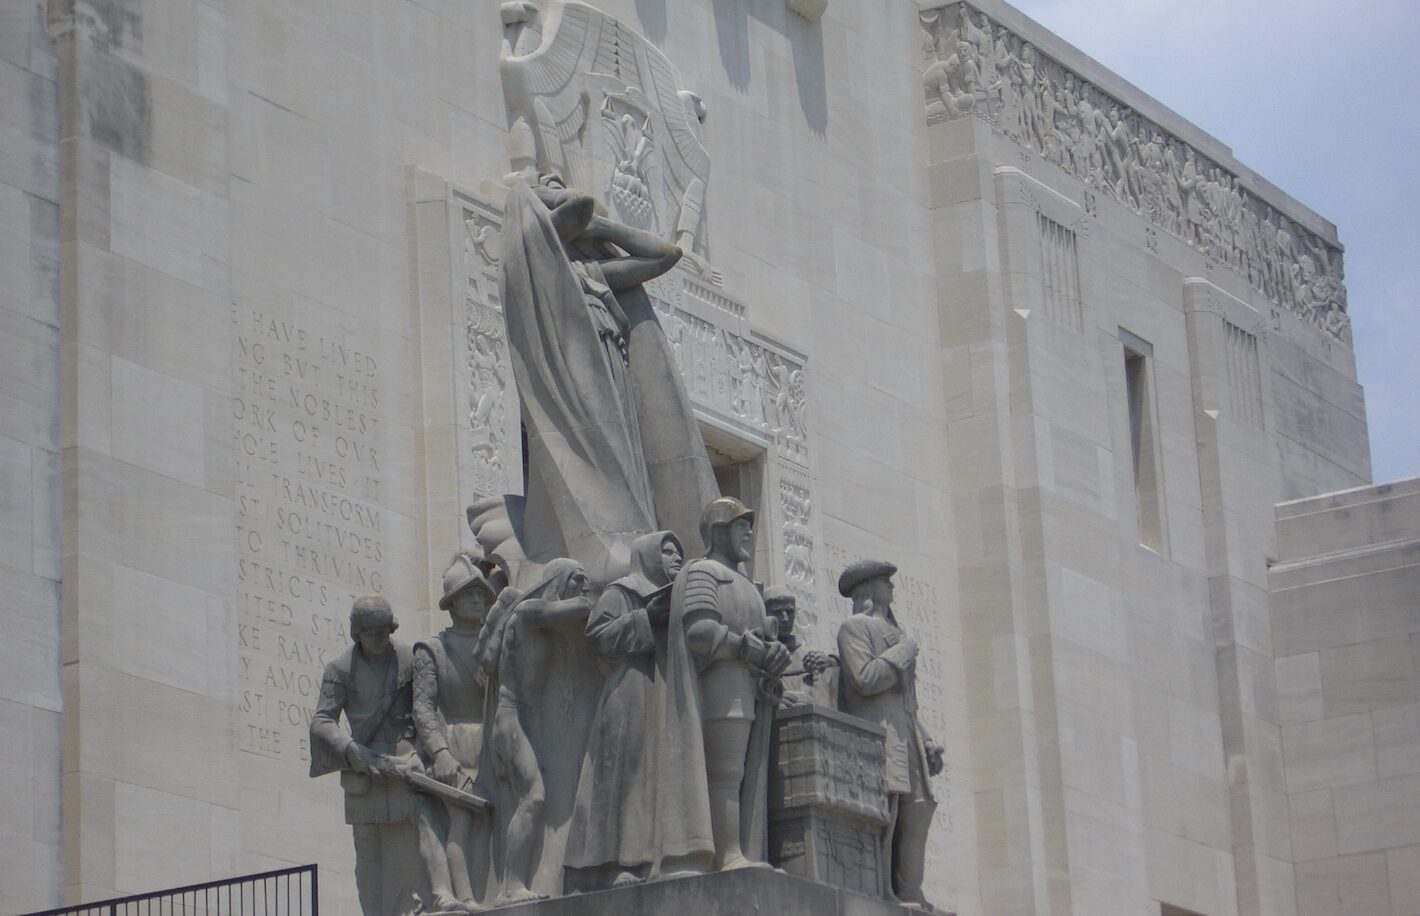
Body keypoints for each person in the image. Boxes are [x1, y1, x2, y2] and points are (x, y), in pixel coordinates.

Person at [499, 174, 718, 582]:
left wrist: (603, 227)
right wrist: (552, 196)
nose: (558, 187)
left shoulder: (592, 273)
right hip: (578, 386)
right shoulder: (542, 278)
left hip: (613, 377)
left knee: (627, 470)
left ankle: (641, 546)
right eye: (549, 187)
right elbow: (574, 208)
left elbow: (666, 255)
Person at [658, 498, 791, 875]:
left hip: (748, 684)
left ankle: (739, 848)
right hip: (720, 682)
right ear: (719, 531)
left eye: (749, 525)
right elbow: (699, 631)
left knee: (740, 772)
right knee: (725, 771)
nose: (749, 532)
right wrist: (748, 647)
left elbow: (763, 635)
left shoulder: (747, 584)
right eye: (739, 525)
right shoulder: (703, 573)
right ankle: (727, 853)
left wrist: (773, 654)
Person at [310, 596, 462, 915]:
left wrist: (423, 753)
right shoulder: (339, 669)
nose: (380, 638)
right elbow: (322, 721)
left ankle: (441, 894)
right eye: (371, 632)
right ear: (357, 633)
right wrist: (352, 750)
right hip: (363, 767)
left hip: (407, 759)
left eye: (384, 631)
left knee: (425, 818)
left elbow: (426, 711)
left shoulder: (409, 658)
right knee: (366, 844)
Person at [565, 531, 685, 890]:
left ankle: (660, 857)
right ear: (648, 556)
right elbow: (598, 637)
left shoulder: (684, 595)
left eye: (679, 553)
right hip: (630, 689)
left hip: (669, 691)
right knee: (626, 776)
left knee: (660, 774)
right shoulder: (622, 591)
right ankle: (618, 862)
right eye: (667, 552)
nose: (676, 558)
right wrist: (646, 617)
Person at [475, 559, 592, 905]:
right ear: (562, 581)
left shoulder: (539, 616)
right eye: (578, 581)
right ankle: (509, 886)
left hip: (525, 719)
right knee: (533, 797)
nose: (582, 589)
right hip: (510, 719)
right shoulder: (528, 612)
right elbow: (579, 608)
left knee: (533, 797)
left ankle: (515, 882)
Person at [836, 562, 945, 911]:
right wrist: (900, 654)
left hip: (906, 731)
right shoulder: (854, 627)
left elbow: (908, 702)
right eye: (885, 581)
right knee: (887, 808)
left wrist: (927, 739)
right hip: (878, 730)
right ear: (867, 589)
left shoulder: (897, 634)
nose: (892, 587)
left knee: (920, 807)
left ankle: (910, 890)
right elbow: (865, 679)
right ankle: (880, 888)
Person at [413, 555, 509, 910]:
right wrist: (440, 753)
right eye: (469, 595)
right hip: (455, 739)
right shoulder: (432, 649)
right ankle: (465, 896)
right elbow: (423, 707)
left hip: (492, 738)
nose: (478, 601)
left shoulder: (494, 643)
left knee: (499, 815)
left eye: (482, 595)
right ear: (452, 602)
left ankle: (498, 889)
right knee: (462, 818)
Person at [763, 586, 837, 708]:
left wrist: (831, 661)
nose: (785, 619)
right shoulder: (759, 654)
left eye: (790, 612)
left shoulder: (809, 656)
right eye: (778, 613)